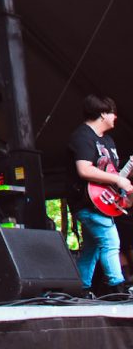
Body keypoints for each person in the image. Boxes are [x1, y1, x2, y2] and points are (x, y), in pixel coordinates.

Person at [67, 94, 132, 295]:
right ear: (103, 114)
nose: (115, 118)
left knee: (92, 249)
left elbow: (112, 174)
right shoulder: (82, 136)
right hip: (87, 202)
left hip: (103, 202)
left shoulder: (109, 141)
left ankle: (80, 288)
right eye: (112, 113)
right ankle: (117, 286)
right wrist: (118, 180)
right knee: (111, 242)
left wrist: (124, 179)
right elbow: (85, 170)